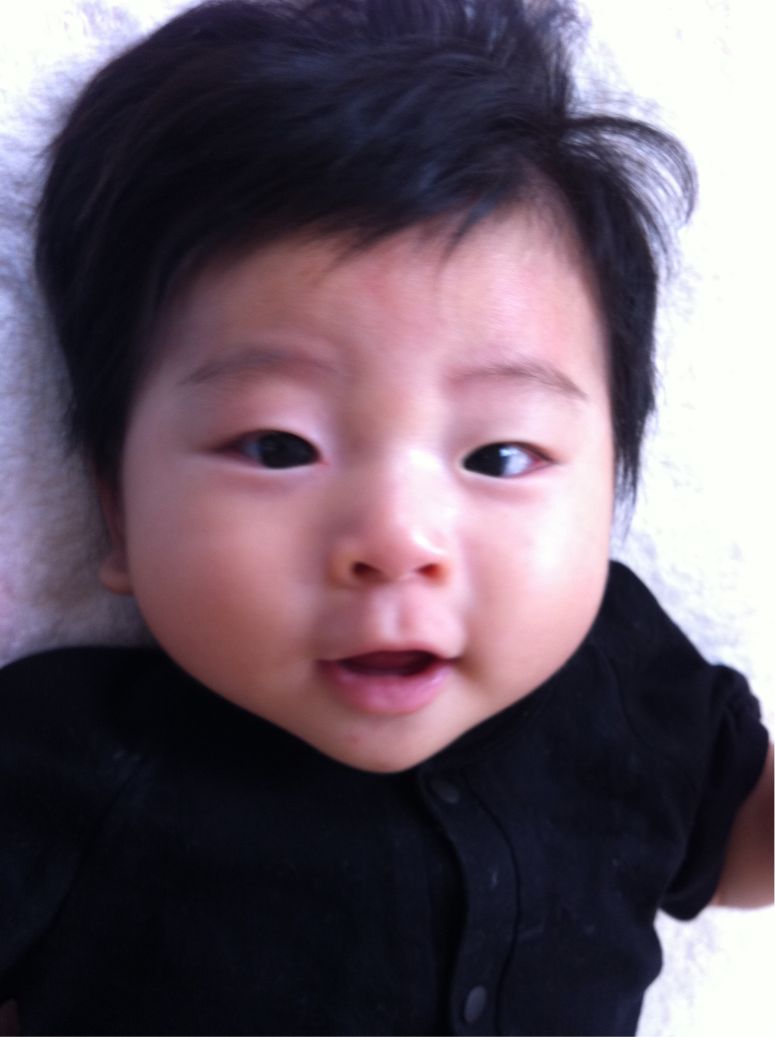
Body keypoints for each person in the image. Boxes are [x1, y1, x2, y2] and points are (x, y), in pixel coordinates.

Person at [0, 0, 771, 1034]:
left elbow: (735, 848)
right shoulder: (58, 764)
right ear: (118, 507)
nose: (399, 539)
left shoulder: (626, 683)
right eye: (278, 446)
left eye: (500, 456)